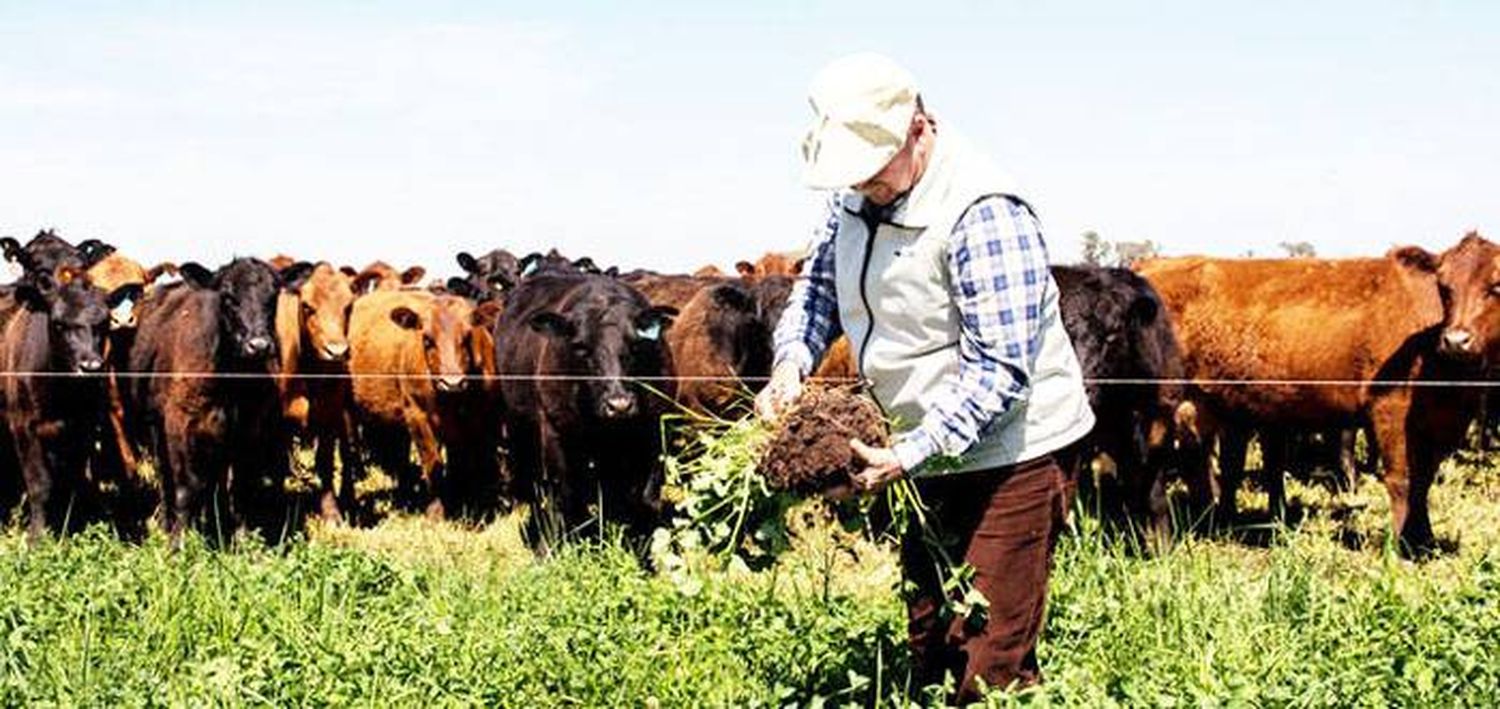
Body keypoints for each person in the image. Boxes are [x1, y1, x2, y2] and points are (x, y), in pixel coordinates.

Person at [755, 52, 1095, 700]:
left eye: (871, 167)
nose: (862, 184)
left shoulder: (982, 210)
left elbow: (998, 367)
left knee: (988, 657)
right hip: (918, 449)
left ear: (918, 129)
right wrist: (791, 362)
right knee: (931, 638)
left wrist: (907, 451)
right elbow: (819, 288)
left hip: (1012, 452)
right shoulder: (854, 199)